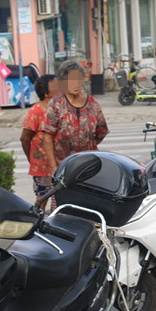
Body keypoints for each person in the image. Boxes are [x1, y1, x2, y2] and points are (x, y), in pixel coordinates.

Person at [44, 61, 108, 172]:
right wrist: (54, 168)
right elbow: (47, 137)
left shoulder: (93, 103)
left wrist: (86, 143)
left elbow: (101, 132)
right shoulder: (56, 104)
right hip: (64, 167)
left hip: (89, 165)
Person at [21, 74, 58, 212]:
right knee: (42, 201)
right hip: (42, 167)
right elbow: (25, 138)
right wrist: (32, 160)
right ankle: (35, 227)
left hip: (60, 163)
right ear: (45, 92)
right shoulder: (36, 111)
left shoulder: (60, 108)